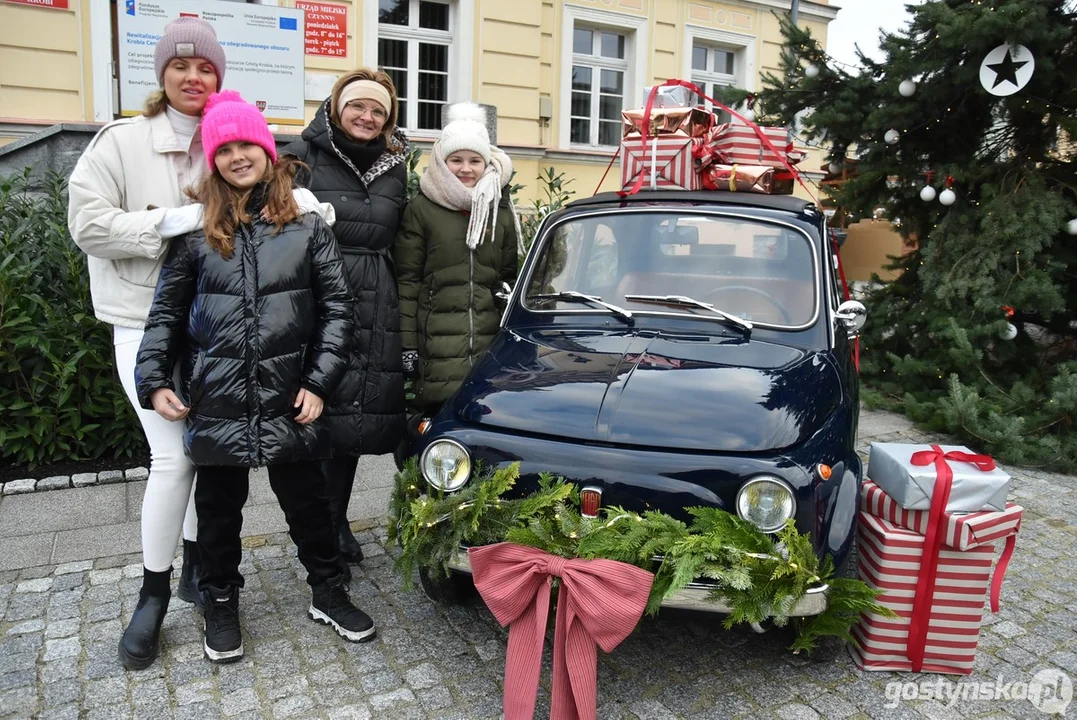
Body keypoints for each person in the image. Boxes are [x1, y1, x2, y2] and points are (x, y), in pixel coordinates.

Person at [67, 17, 330, 671]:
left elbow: (269, 212)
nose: (193, 77)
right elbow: (87, 223)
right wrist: (169, 222)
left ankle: (198, 570)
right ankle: (153, 593)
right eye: (180, 66)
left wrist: (299, 205)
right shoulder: (122, 141)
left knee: (205, 455)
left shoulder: (234, 136)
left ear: (220, 78)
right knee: (176, 459)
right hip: (144, 320)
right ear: (161, 76)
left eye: (206, 67)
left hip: (224, 331)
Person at [134, 91, 377, 664]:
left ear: (268, 150)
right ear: (213, 159)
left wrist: (319, 382)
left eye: (248, 143)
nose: (237, 155)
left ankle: (327, 590)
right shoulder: (195, 234)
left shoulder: (307, 227)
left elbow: (338, 310)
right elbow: (166, 312)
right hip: (216, 397)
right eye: (225, 148)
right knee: (218, 512)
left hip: (290, 393)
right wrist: (153, 378)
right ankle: (220, 599)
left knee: (309, 505)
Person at [284, 70, 409, 577]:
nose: (367, 116)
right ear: (336, 107)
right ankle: (318, 527)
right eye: (358, 106)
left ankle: (336, 521)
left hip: (376, 297)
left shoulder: (396, 166)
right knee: (318, 412)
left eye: (378, 110)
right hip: (320, 296)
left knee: (354, 417)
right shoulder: (301, 154)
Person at [394, 102, 522, 416]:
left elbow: (506, 281)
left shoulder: (498, 209)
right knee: (438, 434)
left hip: (486, 342)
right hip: (434, 346)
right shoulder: (422, 209)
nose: (466, 168)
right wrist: (407, 345)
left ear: (486, 162)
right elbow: (407, 282)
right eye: (457, 160)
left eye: (475, 160)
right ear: (442, 161)